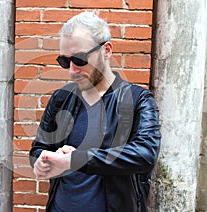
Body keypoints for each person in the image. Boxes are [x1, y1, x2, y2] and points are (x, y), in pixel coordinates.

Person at [29, 12, 161, 212]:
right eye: (65, 61)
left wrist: (76, 160)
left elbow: (144, 155)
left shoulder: (138, 100)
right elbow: (39, 148)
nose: (72, 70)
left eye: (80, 59)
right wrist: (43, 161)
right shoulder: (61, 99)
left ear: (106, 50)